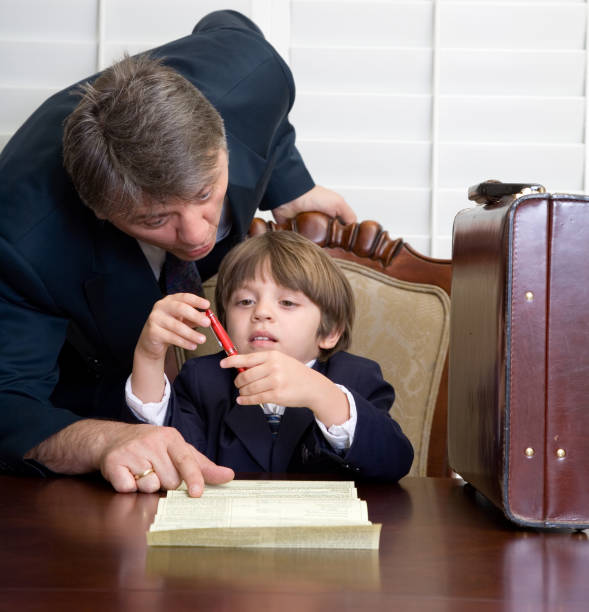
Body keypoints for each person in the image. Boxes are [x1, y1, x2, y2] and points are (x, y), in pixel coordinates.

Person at [0, 10, 356, 495]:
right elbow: (9, 402)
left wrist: (288, 182)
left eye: (206, 194)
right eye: (155, 219)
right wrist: (105, 439)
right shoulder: (24, 238)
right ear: (100, 211)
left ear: (224, 140)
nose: (195, 238)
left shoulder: (252, 72)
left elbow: (228, 21)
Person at [126, 232, 414, 485]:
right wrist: (149, 357)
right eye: (245, 301)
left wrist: (322, 395)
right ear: (224, 325)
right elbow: (165, 446)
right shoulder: (203, 378)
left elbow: (394, 462)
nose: (261, 312)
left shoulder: (357, 377)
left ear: (329, 332)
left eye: (287, 302)